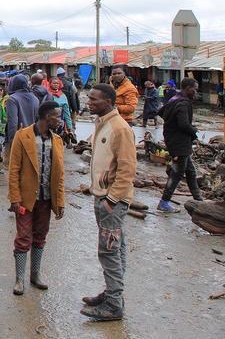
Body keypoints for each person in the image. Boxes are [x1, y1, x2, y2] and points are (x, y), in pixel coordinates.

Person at [81, 84, 136, 321]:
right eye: (89, 98)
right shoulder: (102, 122)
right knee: (117, 248)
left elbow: (127, 168)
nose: (89, 102)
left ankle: (114, 304)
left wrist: (112, 200)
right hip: (103, 197)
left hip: (111, 201)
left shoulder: (120, 129)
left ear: (109, 101)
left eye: (94, 99)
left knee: (109, 251)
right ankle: (114, 293)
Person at [7, 101, 66, 296]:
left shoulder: (57, 140)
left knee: (40, 236)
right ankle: (19, 278)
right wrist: (14, 198)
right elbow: (14, 169)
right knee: (24, 237)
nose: (60, 119)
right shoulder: (22, 136)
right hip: (25, 199)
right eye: (57, 116)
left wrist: (60, 201)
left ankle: (35, 274)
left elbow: (60, 173)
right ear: (46, 117)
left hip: (46, 199)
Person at [156, 77, 204, 212]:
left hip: (176, 140)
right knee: (177, 173)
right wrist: (193, 130)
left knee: (190, 171)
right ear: (187, 88)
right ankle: (164, 202)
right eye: (194, 89)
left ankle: (198, 199)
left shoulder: (174, 99)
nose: (196, 91)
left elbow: (161, 112)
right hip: (179, 143)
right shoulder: (183, 103)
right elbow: (183, 124)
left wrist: (171, 125)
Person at [4, 74, 39, 167]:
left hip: (17, 138)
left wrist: (12, 142)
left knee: (12, 169)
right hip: (31, 137)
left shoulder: (12, 99)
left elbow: (13, 123)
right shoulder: (35, 99)